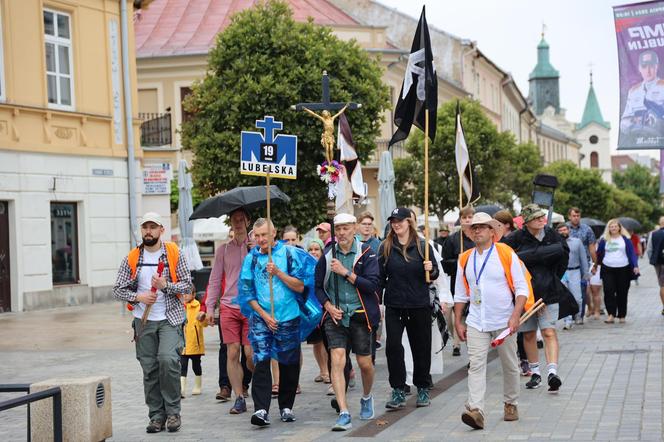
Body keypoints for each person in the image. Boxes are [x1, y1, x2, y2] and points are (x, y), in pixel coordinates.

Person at [113, 212, 192, 433]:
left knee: (167, 361)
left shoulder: (174, 253)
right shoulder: (132, 258)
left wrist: (166, 285)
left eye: (153, 227)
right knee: (150, 369)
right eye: (145, 227)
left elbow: (187, 285)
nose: (149, 231)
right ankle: (157, 416)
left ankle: (173, 412)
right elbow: (117, 289)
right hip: (143, 320)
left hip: (170, 318)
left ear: (161, 230)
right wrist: (138, 297)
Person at [454, 212, 530, 430]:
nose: (477, 230)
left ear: (492, 232)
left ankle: (511, 403)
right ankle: (476, 410)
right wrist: (459, 321)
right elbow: (460, 294)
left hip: (504, 320)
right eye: (474, 227)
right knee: (476, 365)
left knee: (509, 364)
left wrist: (515, 315)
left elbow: (522, 287)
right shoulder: (465, 258)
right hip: (476, 321)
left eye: (482, 227)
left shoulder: (505, 253)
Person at [237, 218, 314, 426]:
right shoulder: (251, 260)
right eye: (257, 235)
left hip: (289, 316)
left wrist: (278, 273)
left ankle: (286, 406)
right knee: (261, 360)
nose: (261, 239)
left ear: (274, 233)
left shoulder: (289, 254)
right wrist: (264, 315)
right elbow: (246, 293)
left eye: (264, 234)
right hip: (262, 318)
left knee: (289, 362)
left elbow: (300, 286)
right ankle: (261, 409)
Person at [315, 213, 380, 431]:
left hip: (361, 314)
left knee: (365, 364)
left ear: (354, 228)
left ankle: (367, 396)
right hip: (335, 316)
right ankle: (343, 412)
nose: (341, 233)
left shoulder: (367, 253)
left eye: (345, 228)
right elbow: (317, 287)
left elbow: (372, 286)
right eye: (338, 229)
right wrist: (327, 306)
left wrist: (345, 272)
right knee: (337, 359)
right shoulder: (326, 256)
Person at [502, 204, 569, 392]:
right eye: (537, 218)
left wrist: (552, 278)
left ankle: (552, 373)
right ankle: (535, 373)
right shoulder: (515, 238)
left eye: (542, 217)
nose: (542, 220)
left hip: (550, 292)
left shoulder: (552, 235)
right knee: (529, 334)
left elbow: (564, 257)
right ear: (527, 221)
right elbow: (506, 262)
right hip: (524, 295)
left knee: (549, 332)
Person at [379, 207, 439, 410]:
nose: (397, 224)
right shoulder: (385, 246)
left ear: (409, 222)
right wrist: (378, 303)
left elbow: (436, 274)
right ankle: (398, 389)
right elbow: (379, 277)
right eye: (393, 221)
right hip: (395, 304)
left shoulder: (423, 245)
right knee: (393, 347)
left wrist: (432, 269)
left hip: (418, 304)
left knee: (421, 348)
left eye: (400, 220)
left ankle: (422, 387)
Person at [202, 208, 254, 414]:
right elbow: (214, 281)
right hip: (229, 307)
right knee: (232, 351)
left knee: (250, 354)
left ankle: (260, 381)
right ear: (231, 224)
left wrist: (255, 251)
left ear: (248, 222)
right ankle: (239, 397)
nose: (239, 223)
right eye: (235, 220)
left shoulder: (256, 247)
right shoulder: (223, 250)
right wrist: (209, 308)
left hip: (251, 307)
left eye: (242, 219)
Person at [441, 205, 476, 357]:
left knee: (471, 318)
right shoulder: (452, 239)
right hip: (458, 283)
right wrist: (460, 262)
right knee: (456, 315)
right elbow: (445, 263)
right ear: (460, 220)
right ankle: (456, 341)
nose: (467, 220)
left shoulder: (479, 236)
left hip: (476, 285)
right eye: (464, 218)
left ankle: (472, 351)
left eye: (470, 217)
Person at [593, 219, 640, 324]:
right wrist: (595, 265)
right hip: (607, 268)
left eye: (615, 226)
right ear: (608, 229)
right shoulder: (604, 240)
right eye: (611, 226)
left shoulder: (625, 239)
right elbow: (598, 253)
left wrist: (635, 266)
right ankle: (611, 314)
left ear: (619, 228)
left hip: (623, 268)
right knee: (609, 291)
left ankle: (622, 315)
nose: (613, 228)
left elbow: (632, 253)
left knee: (622, 292)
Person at [620, 50, 664, 134]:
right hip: (637, 139)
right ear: (639, 68)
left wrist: (657, 120)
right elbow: (624, 122)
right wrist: (635, 121)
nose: (648, 70)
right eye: (644, 66)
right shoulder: (633, 91)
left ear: (656, 66)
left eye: (651, 66)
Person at [556, 223, 589, 329]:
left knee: (578, 297)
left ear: (568, 230)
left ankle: (577, 315)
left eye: (565, 229)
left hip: (575, 271)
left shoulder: (577, 242)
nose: (563, 232)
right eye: (560, 230)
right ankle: (567, 320)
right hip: (561, 272)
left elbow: (583, 258)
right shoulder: (555, 243)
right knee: (564, 297)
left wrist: (585, 273)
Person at [567, 208, 596, 319]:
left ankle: (580, 315)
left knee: (582, 290)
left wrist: (594, 264)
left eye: (578, 215)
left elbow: (592, 248)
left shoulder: (587, 229)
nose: (576, 218)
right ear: (569, 216)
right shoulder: (564, 229)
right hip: (568, 264)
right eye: (574, 216)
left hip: (584, 264)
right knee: (569, 291)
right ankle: (570, 314)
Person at [181, 291, 206, 398]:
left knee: (196, 365)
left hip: (195, 343)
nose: (185, 295)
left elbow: (203, 324)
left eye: (187, 293)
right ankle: (181, 389)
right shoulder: (181, 307)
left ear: (193, 294)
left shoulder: (198, 306)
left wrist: (202, 318)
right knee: (182, 366)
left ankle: (198, 385)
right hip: (183, 344)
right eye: (183, 293)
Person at [647, 216, 664, 316]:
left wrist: (652, 260)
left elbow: (649, 250)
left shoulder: (653, 234)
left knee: (662, 285)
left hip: (659, 262)